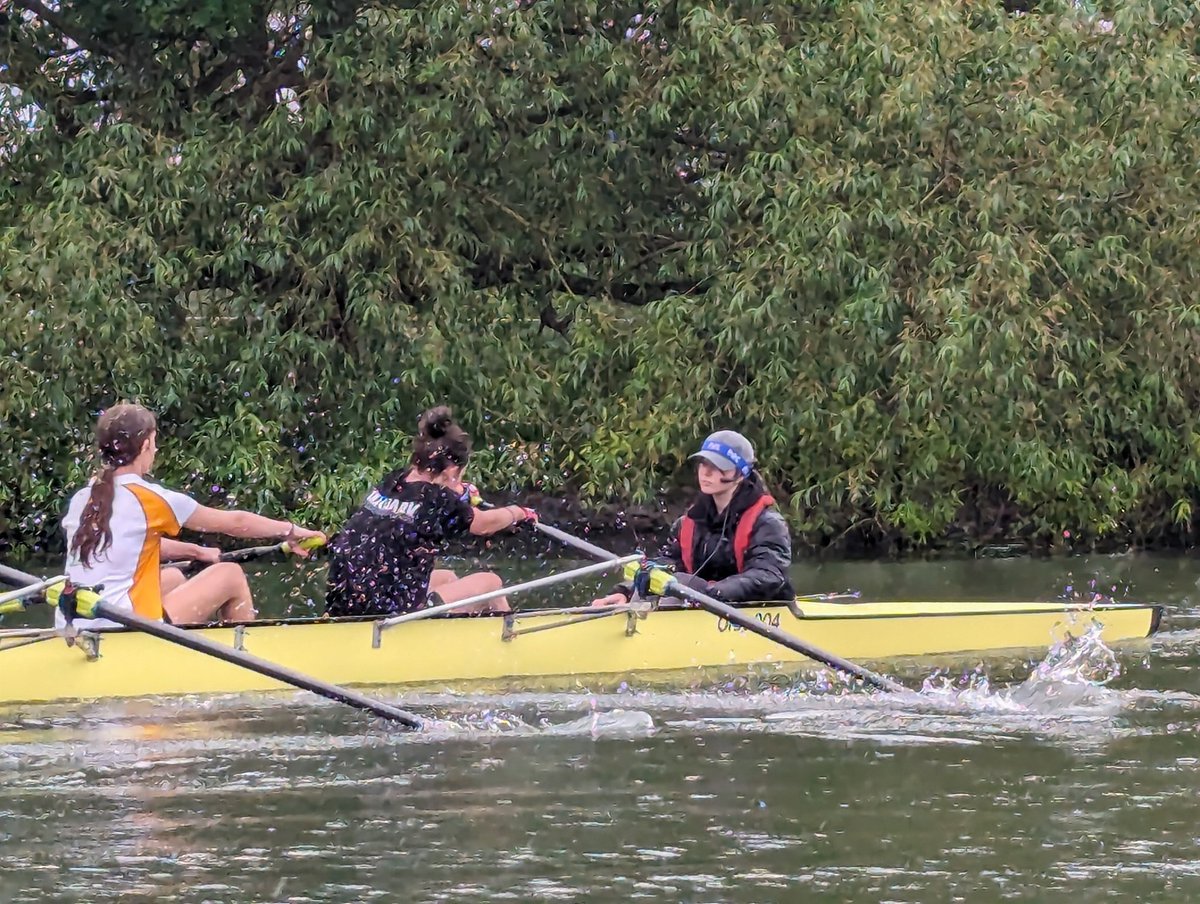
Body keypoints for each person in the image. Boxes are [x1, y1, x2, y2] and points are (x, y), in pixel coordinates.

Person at [62, 402, 326, 629]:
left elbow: (127, 544)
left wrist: (195, 552)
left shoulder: (83, 498)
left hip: (77, 620)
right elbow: (236, 523)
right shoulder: (151, 499)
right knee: (230, 574)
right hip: (123, 629)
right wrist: (290, 530)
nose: (155, 451)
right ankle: (242, 656)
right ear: (144, 446)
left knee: (175, 578)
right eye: (154, 443)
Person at [324, 406, 537, 618]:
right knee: (491, 583)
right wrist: (518, 513)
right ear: (452, 470)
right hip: (390, 612)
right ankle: (510, 639)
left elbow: (422, 505)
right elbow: (484, 524)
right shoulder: (439, 500)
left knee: (447, 578)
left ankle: (447, 635)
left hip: (346, 601)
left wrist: (459, 493)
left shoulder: (394, 481)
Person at [592, 430, 794, 607]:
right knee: (654, 582)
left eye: (718, 466)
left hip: (752, 610)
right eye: (703, 463)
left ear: (741, 474)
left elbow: (769, 576)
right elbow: (666, 566)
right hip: (699, 605)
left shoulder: (768, 524)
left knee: (680, 584)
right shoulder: (687, 523)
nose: (706, 472)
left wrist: (712, 593)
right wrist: (627, 590)